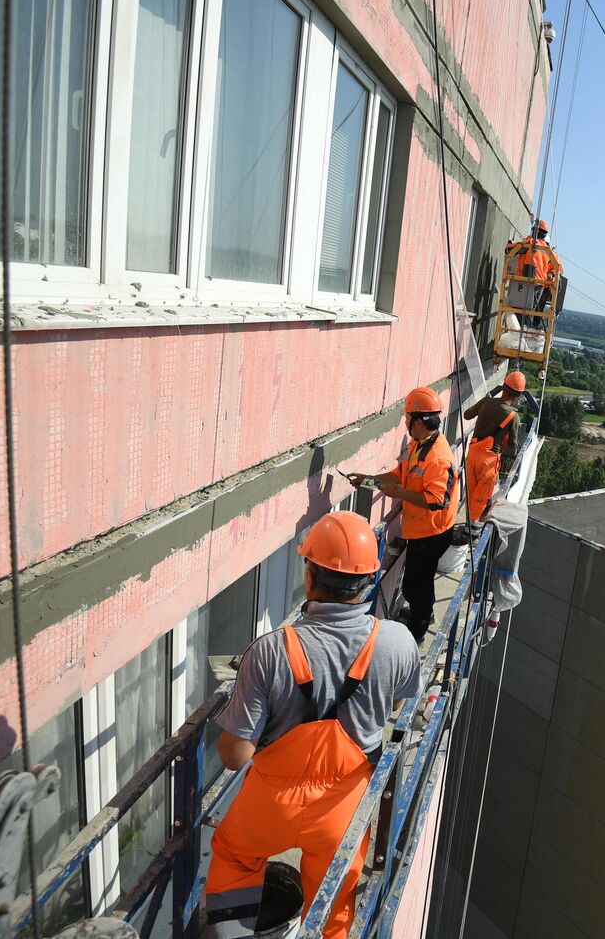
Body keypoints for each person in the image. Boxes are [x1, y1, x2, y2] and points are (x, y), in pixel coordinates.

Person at [204, 510, 421, 939]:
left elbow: (234, 756)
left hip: (270, 805)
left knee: (235, 857)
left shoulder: (268, 651)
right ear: (369, 577)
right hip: (344, 806)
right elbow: (396, 700)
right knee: (334, 901)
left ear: (310, 577)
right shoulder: (397, 641)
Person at [349, 387, 459, 641]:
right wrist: (371, 479)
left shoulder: (438, 457)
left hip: (433, 532)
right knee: (421, 581)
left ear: (418, 421)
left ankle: (416, 632)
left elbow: (437, 501)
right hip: (422, 529)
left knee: (414, 585)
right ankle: (424, 612)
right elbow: (401, 473)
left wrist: (398, 492)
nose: (405, 421)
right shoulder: (419, 443)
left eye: (407, 417)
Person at [463, 371, 526, 521]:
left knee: (470, 493)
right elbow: (513, 448)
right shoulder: (513, 416)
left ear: (503, 386)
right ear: (518, 395)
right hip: (489, 461)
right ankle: (471, 530)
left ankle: (467, 524)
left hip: (472, 455)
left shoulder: (486, 402)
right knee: (480, 499)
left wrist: (486, 401)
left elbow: (467, 415)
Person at [504, 219, 563, 326]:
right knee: (531, 309)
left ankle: (520, 329)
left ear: (534, 231)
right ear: (545, 234)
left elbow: (510, 250)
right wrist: (552, 273)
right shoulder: (547, 250)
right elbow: (559, 267)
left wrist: (509, 244)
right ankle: (527, 329)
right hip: (540, 285)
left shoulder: (530, 243)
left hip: (524, 282)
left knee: (519, 308)